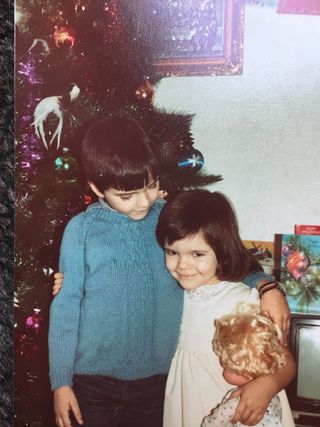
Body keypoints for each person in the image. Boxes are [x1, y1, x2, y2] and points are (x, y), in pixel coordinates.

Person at [50, 115, 290, 427]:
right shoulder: (80, 230)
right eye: (126, 196)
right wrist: (61, 382)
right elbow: (66, 307)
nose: (142, 202)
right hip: (92, 383)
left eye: (150, 186)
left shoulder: (168, 216)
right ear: (97, 187)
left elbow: (226, 255)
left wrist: (266, 287)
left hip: (156, 385)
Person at [155, 190, 295, 427]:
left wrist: (266, 385)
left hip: (239, 412)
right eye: (172, 252)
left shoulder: (244, 301)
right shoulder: (170, 296)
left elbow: (286, 361)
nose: (182, 265)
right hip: (187, 407)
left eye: (197, 254)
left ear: (220, 251)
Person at [201, 303, 291, 426]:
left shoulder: (237, 401)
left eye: (226, 366)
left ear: (246, 375)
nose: (222, 367)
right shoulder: (273, 397)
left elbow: (210, 423)